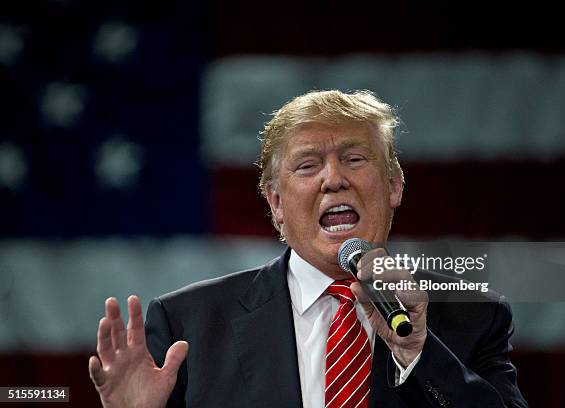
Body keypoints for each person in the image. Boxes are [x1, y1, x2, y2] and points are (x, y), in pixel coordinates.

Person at [89, 90, 528, 407]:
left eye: (355, 159)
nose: (333, 179)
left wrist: (418, 353)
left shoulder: (473, 313)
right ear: (276, 202)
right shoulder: (192, 322)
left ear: (394, 185)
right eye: (307, 165)